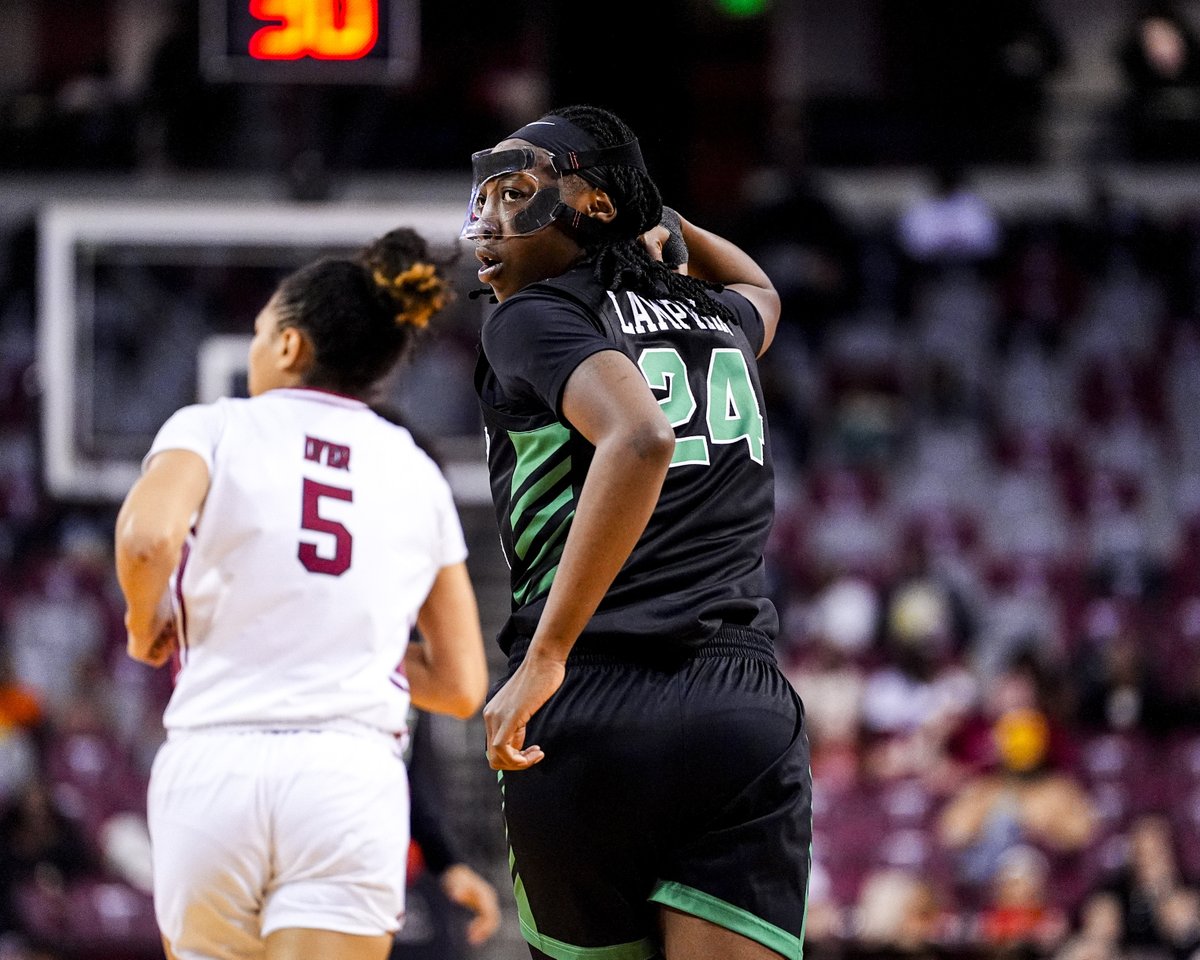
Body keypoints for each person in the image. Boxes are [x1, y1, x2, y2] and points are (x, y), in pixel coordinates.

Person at [466, 104, 811, 960]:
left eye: (518, 194)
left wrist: (544, 657)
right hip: (739, 709)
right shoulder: (715, 315)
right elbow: (765, 289)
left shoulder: (535, 315)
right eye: (487, 197)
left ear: (591, 206)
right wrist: (669, 218)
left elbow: (640, 436)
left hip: (590, 701)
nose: (490, 222)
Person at [113, 227, 489, 960]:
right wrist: (348, 641)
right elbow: (463, 684)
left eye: (258, 334)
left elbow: (147, 539)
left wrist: (141, 619)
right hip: (345, 780)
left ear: (287, 346)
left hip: (213, 771)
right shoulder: (416, 470)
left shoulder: (214, 426)